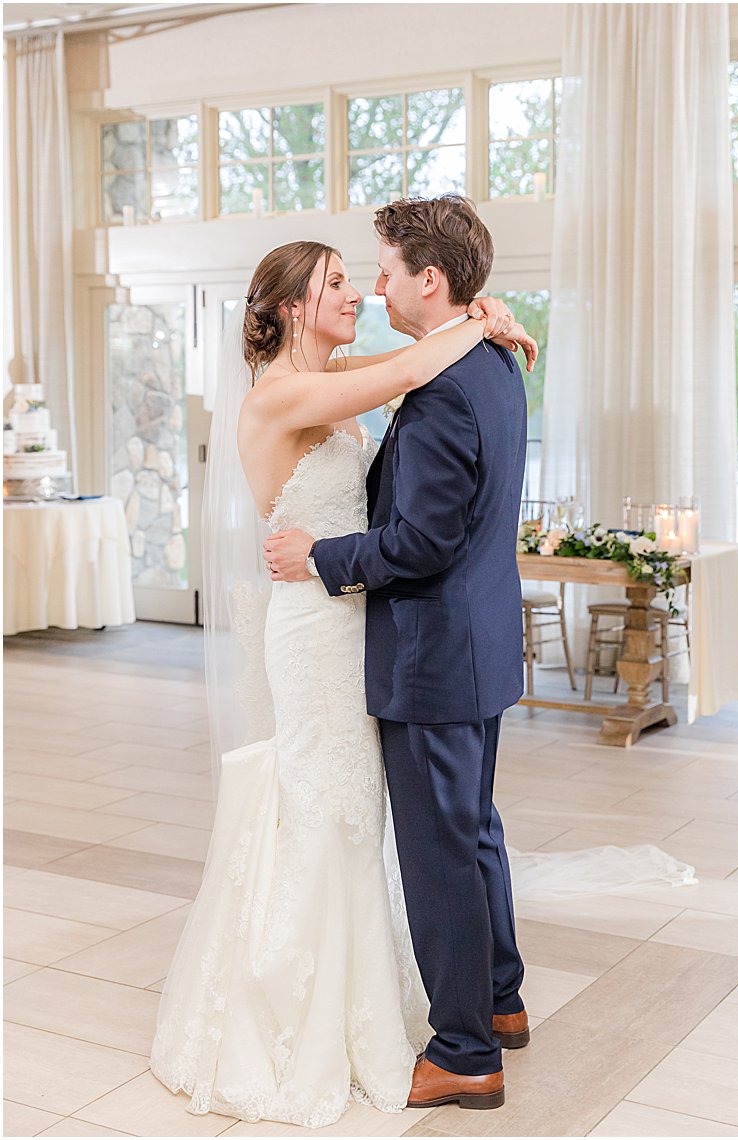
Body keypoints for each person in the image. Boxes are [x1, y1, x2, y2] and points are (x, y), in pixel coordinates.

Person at [151, 234, 534, 1125]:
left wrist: (481, 314)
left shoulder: (344, 367)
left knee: (398, 823)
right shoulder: (284, 395)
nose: (358, 291)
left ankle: (461, 1013)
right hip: (318, 625)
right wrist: (482, 317)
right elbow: (406, 371)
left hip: (362, 612)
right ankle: (312, 1001)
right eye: (335, 283)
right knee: (331, 809)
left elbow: (404, 361)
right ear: (290, 306)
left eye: (368, 276)